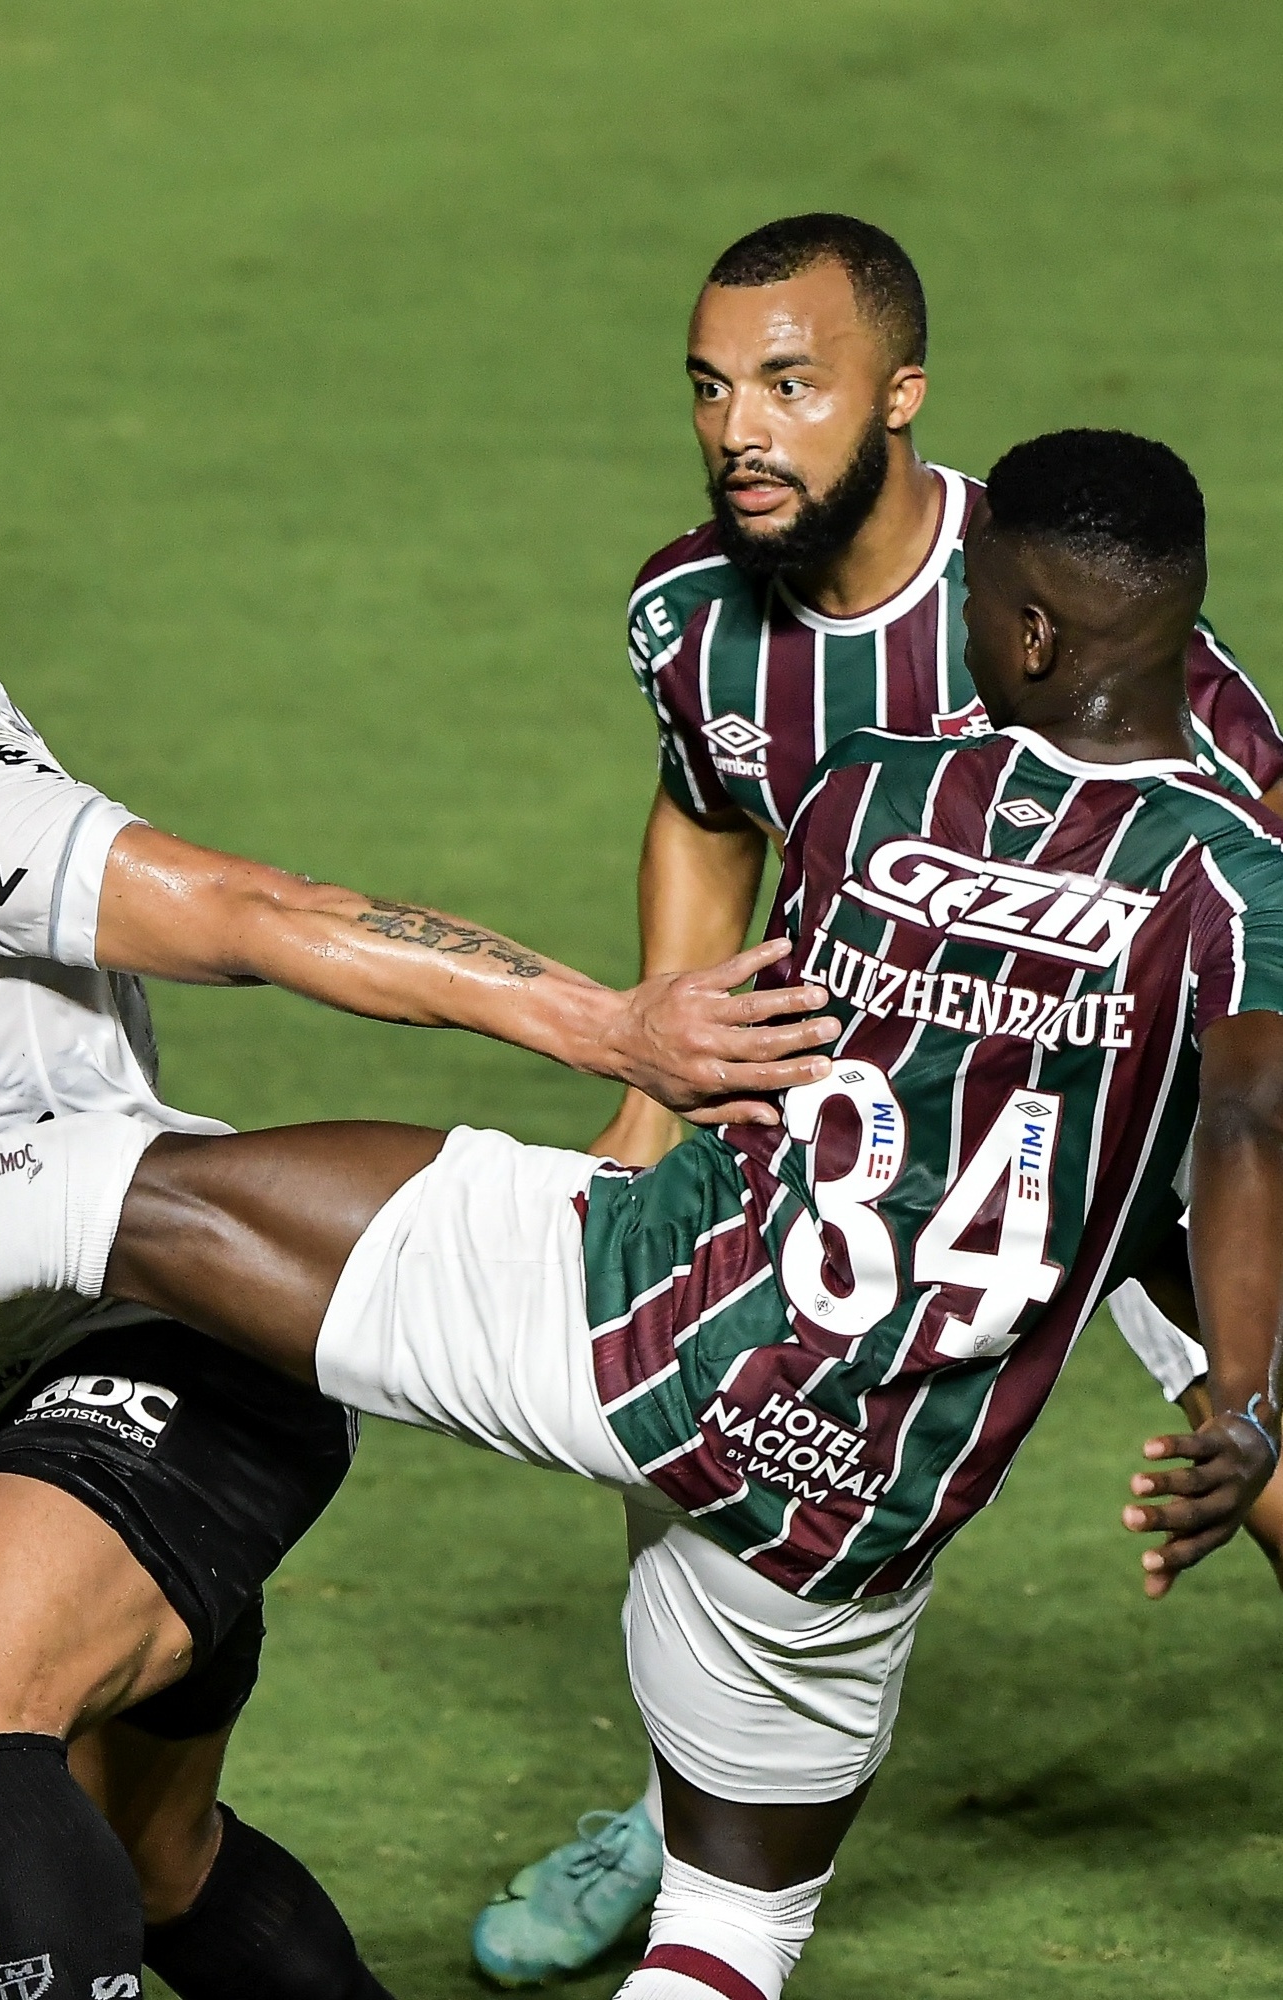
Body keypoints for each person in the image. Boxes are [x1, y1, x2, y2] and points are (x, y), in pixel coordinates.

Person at [0, 428, 1283, 2000]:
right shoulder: (1225, 870)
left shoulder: (874, 789)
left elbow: (278, 920)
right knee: (654, 1918)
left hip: (585, 1323)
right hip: (848, 1512)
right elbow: (1232, 1131)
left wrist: (615, 1024)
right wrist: (1244, 1395)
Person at [470, 212, 1283, 1986]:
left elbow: (1253, 914)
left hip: (1134, 1137)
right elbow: (704, 804)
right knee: (700, 1437)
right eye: (709, 389)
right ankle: (694, 1803)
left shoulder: (1048, 606)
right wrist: (651, 1070)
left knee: (1276, 1466)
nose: (740, 429)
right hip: (859, 1155)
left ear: (898, 396)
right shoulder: (691, 615)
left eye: (789, 385)